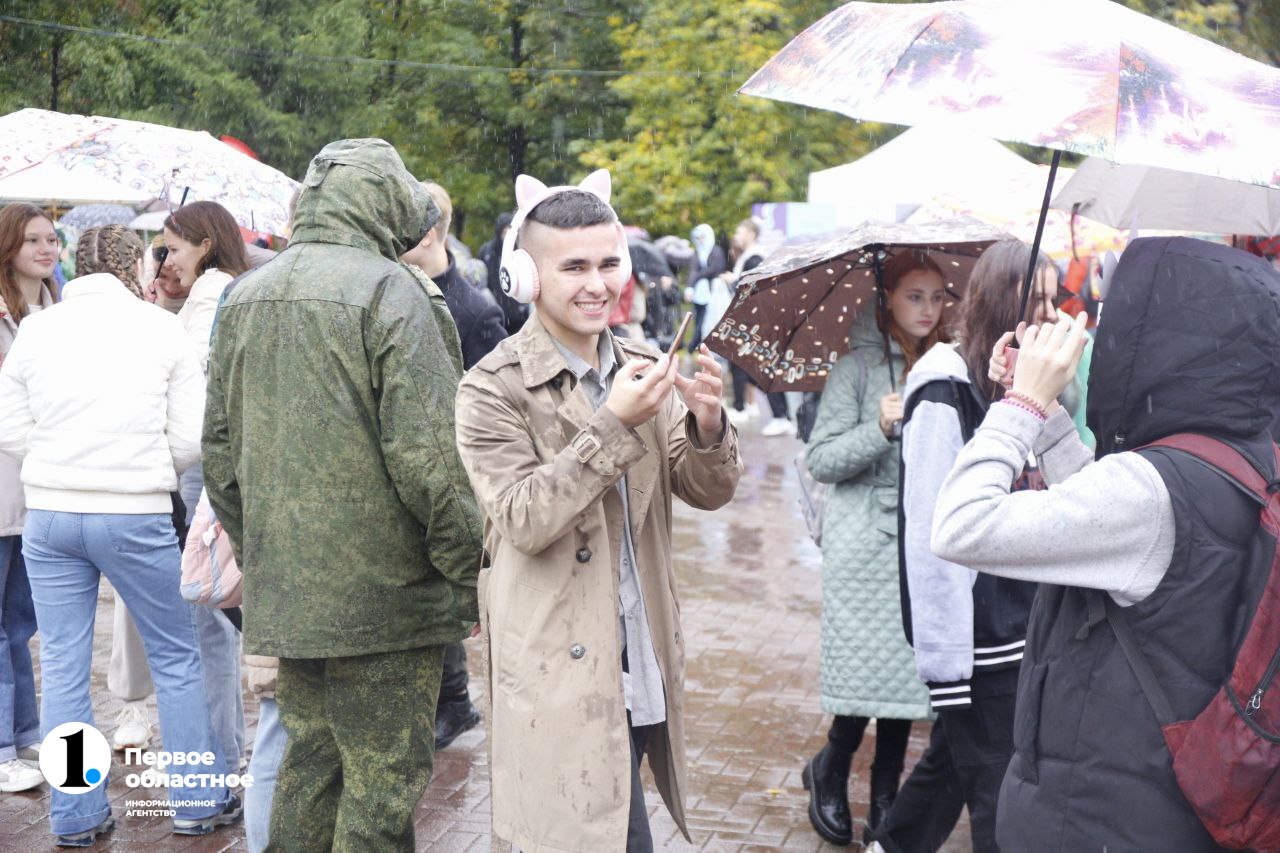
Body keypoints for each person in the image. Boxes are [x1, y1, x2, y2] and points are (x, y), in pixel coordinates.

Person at [929, 237, 1280, 851]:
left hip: (1094, 814)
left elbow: (959, 526)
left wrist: (1021, 406)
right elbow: (1117, 530)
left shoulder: (1148, 487)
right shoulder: (1247, 457)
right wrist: (1051, 421)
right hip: (1168, 804)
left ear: (1160, 336)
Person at [203, 138, 483, 852]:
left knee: (312, 768)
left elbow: (221, 458)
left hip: (293, 592)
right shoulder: (393, 292)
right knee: (381, 787)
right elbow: (431, 461)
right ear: (384, 208)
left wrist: (266, 554)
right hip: (388, 601)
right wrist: (466, 572)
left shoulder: (248, 294)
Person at [455, 169, 742, 852]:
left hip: (641, 663)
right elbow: (523, 517)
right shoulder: (491, 387)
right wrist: (611, 427)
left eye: (609, 262)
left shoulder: (643, 367)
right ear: (523, 277)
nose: (597, 283)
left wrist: (705, 424)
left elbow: (705, 488)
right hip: (556, 671)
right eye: (574, 266)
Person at [0, 224, 240, 846]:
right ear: (136, 266)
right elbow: (192, 437)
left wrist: (57, 465)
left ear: (78, 267)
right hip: (134, 511)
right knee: (177, 657)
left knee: (62, 663)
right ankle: (195, 799)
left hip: (51, 515)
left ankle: (76, 815)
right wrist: (141, 467)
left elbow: (8, 425)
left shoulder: (37, 329)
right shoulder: (159, 329)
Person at [873, 241, 1049, 853]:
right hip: (979, 636)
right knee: (1002, 803)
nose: (1050, 315)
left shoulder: (1016, 383)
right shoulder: (944, 389)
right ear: (1003, 304)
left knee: (953, 765)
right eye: (1039, 300)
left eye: (1056, 298)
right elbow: (930, 531)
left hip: (1019, 623)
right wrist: (947, 657)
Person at [801, 251, 947, 846]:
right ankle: (833, 768)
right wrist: (880, 427)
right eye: (915, 296)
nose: (928, 309)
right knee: (866, 675)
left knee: (907, 680)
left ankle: (886, 791)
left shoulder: (944, 365)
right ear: (887, 297)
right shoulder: (856, 368)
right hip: (864, 546)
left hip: (921, 542)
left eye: (938, 298)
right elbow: (822, 459)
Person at [399, 179, 505, 751]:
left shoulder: (473, 307)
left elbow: (493, 402)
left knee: (446, 587)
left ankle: (456, 702)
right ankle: (449, 700)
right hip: (419, 459)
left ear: (432, 232)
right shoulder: (401, 293)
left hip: (458, 466)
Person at [163, 200, 250, 779]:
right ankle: (226, 751)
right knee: (218, 616)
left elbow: (191, 379)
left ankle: (220, 760)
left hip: (203, 462)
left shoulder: (212, 295)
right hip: (220, 457)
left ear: (205, 245)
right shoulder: (227, 289)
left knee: (208, 618)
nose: (165, 260)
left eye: (172, 248)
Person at [0, 203, 59, 795]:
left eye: (53, 239)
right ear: (8, 245)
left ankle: (25, 731)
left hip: (39, 490)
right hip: (0, 487)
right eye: (34, 239)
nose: (47, 249)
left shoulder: (55, 312)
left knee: (20, 624)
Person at [719, 218, 792, 436]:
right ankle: (774, 413)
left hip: (756, 321)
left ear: (751, 233)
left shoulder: (755, 258)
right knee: (752, 367)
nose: (737, 235)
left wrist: (733, 280)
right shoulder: (749, 257)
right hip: (753, 320)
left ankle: (777, 415)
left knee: (758, 366)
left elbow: (751, 287)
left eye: (740, 231)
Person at [480, 210, 527, 335]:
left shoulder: (519, 251)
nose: (506, 235)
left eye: (509, 232)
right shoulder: (488, 252)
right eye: (504, 232)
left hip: (518, 310)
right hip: (497, 304)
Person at [686, 223, 726, 352]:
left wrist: (698, 275)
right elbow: (693, 270)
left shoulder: (716, 250)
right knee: (699, 319)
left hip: (714, 292)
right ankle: (696, 346)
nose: (700, 240)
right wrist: (690, 287)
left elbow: (714, 269)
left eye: (703, 237)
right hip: (699, 293)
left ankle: (695, 346)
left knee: (709, 319)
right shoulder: (698, 252)